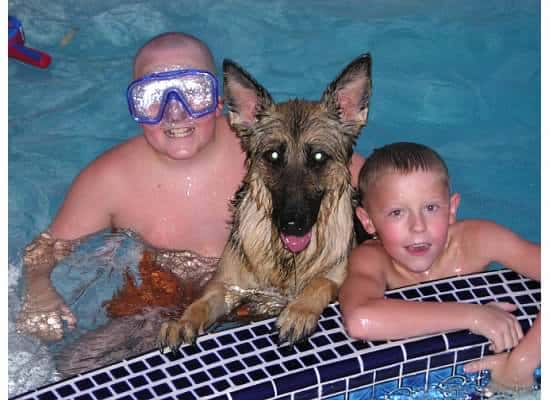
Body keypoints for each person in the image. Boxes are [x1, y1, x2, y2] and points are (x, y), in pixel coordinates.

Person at [17, 32, 365, 345]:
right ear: (135, 110)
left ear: (220, 102)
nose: (175, 113)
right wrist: (38, 292)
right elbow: (45, 249)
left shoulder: (270, 145)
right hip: (159, 303)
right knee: (73, 365)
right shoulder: (109, 179)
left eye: (193, 92)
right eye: (153, 96)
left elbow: (380, 191)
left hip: (275, 302)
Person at [339, 142, 540, 390]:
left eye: (431, 208)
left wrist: (522, 363)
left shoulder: (478, 241)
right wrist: (474, 316)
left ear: (451, 209)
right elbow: (361, 320)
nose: (418, 226)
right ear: (367, 222)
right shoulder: (371, 258)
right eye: (397, 213)